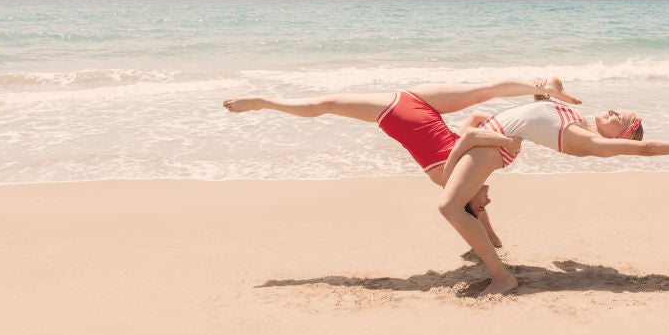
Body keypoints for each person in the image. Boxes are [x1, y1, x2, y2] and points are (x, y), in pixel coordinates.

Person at [437, 87, 669, 296]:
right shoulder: (575, 117)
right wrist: (551, 87)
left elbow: (647, 149)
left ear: (622, 136)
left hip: (493, 148)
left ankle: (503, 278)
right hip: (491, 137)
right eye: (620, 110)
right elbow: (542, 96)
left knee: (449, 207)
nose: (615, 111)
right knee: (456, 198)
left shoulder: (587, 140)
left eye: (623, 118)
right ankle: (487, 227)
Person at [223, 77, 581, 247]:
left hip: (399, 112)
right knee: (481, 92)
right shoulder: (467, 172)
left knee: (328, 104)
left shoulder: (451, 178)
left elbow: (466, 201)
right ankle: (546, 90)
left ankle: (263, 102)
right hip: (421, 102)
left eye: (482, 203)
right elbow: (474, 122)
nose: (487, 200)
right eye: (486, 202)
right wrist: (492, 236)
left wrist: (487, 232)